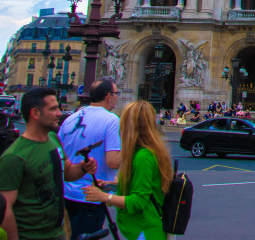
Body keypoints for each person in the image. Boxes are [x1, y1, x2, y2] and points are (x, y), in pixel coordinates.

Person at [0, 88, 98, 240]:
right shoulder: (14, 157)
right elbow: (5, 209)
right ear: (35, 113)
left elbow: (67, 172)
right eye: (53, 109)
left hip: (57, 233)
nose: (59, 113)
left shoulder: (53, 140)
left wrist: (83, 167)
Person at [82, 101, 174, 240]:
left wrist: (105, 197)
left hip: (145, 230)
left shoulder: (144, 156)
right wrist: (110, 186)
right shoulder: (145, 152)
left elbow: (139, 201)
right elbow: (143, 187)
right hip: (144, 228)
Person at [58, 79, 122, 240]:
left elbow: (60, 153)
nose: (117, 97)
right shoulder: (111, 119)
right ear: (108, 96)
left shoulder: (71, 118)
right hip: (90, 195)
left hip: (67, 193)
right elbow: (113, 161)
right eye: (116, 94)